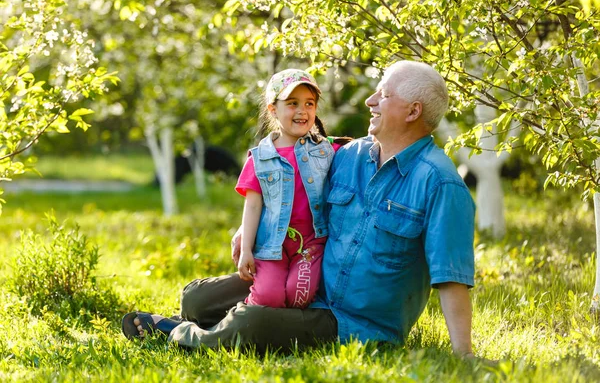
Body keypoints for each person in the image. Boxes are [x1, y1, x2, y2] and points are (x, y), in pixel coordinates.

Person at [121, 60, 476, 358]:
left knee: (251, 324)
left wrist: (464, 355)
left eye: (383, 94)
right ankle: (204, 319)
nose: (370, 101)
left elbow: (452, 276)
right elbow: (295, 185)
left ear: (413, 111)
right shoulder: (349, 155)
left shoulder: (440, 184)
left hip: (354, 322)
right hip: (308, 280)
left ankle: (179, 334)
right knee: (197, 298)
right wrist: (250, 228)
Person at [235, 68, 345, 308]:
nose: (302, 111)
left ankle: (293, 334)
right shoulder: (260, 158)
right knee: (268, 298)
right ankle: (244, 319)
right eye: (292, 103)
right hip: (271, 245)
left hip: (311, 243)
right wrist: (246, 249)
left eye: (309, 103)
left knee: (299, 296)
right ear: (273, 109)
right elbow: (253, 206)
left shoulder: (327, 150)